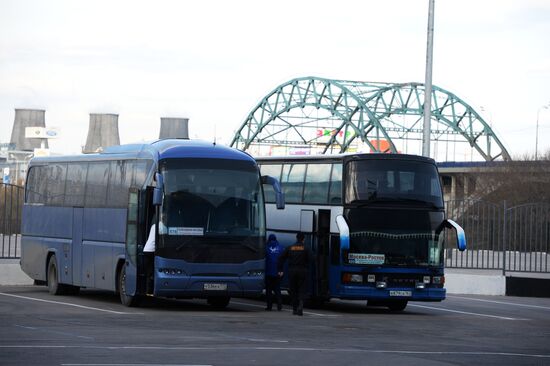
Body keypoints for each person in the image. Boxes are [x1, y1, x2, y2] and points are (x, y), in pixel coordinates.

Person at [277, 232, 311, 316]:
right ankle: (300, 306)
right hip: (302, 271)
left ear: (296, 238)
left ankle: (294, 309)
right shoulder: (306, 248)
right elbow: (312, 259)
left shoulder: (290, 247)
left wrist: (280, 269)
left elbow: (281, 258)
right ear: (303, 239)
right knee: (302, 289)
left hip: (292, 271)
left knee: (293, 290)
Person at [265, 234, 283, 311]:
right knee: (277, 290)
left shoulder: (266, 247)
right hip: (277, 272)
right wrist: (281, 270)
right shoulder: (280, 248)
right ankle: (279, 306)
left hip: (268, 272)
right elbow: (282, 260)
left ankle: (269, 307)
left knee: (269, 291)